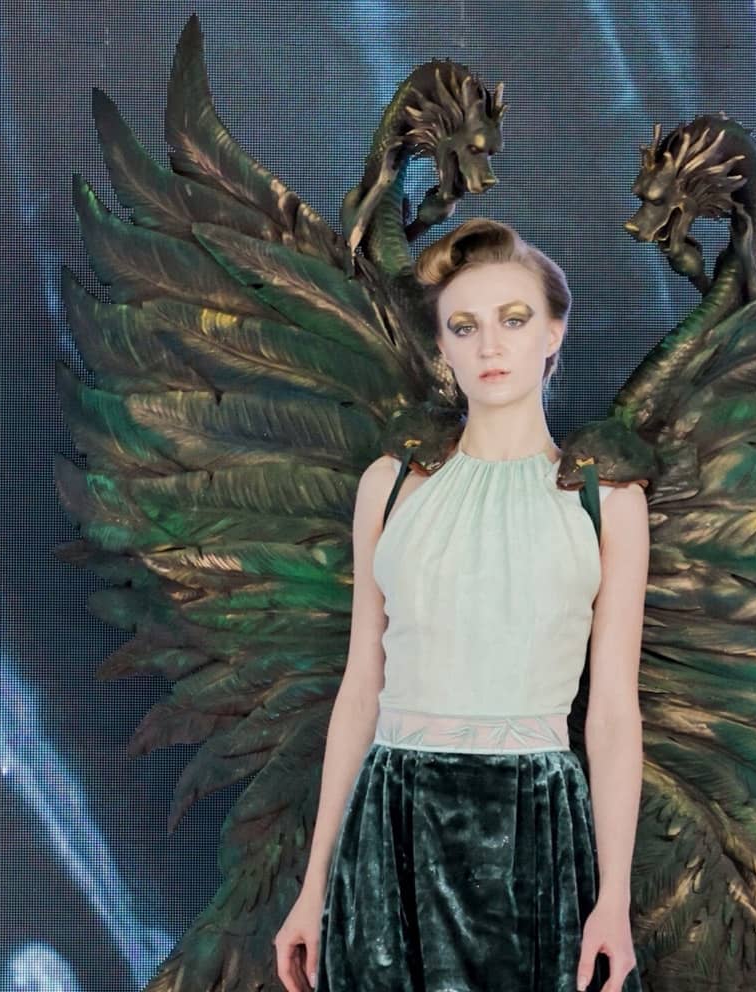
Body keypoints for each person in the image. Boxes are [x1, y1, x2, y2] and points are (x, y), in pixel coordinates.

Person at [272, 217, 649, 992]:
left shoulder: (607, 503)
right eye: (465, 327)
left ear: (553, 332)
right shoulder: (388, 488)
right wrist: (313, 889)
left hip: (534, 828)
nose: (490, 347)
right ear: (442, 347)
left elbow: (613, 714)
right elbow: (360, 689)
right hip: (393, 822)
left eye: (514, 320)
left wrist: (613, 898)